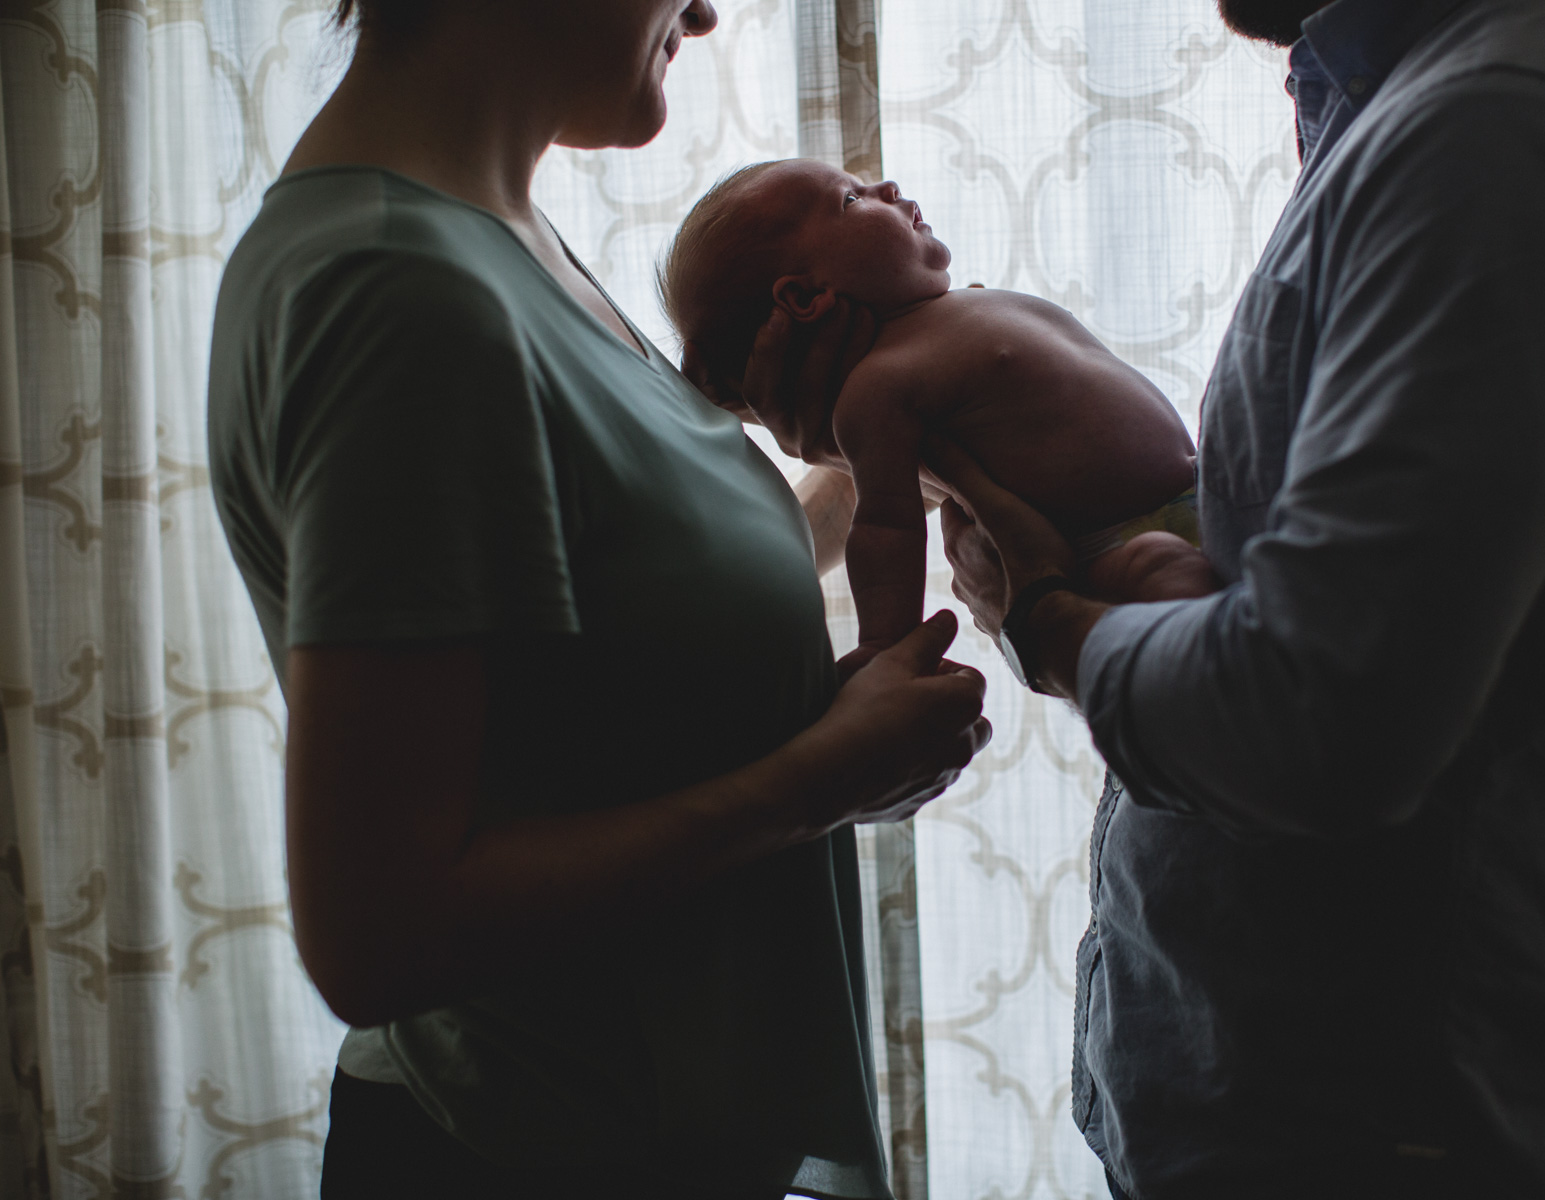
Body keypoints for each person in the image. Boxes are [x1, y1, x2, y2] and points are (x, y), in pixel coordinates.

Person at [898, 0, 1545, 1196]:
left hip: (1383, 1128)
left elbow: (1324, 719)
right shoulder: (1414, 111)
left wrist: (1047, 619)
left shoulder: (1505, 131)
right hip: (1303, 1099)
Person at [205, 1, 991, 1196]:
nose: (709, 10)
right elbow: (382, 932)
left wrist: (897, 448)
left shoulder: (494, 238)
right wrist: (824, 778)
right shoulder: (396, 289)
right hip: (534, 1159)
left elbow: (612, 614)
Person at [664, 157, 1200, 662]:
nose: (887, 189)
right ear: (805, 299)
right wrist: (886, 647)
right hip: (1113, 548)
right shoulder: (879, 388)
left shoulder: (958, 308)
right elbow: (885, 528)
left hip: (1201, 501)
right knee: (1179, 593)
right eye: (851, 200)